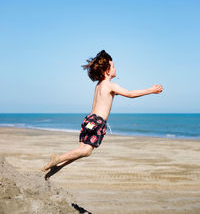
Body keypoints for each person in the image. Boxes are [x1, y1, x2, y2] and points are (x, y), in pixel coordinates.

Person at [41, 50, 163, 180]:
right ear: (107, 71)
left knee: (82, 150)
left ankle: (57, 166)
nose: (116, 68)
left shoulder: (99, 85)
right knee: (86, 151)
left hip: (89, 120)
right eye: (113, 66)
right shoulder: (110, 85)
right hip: (98, 122)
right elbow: (130, 94)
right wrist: (151, 90)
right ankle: (58, 158)